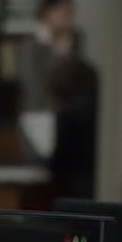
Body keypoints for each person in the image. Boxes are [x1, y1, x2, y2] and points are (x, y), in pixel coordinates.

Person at [43, 53, 99, 201]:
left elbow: (59, 163)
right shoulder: (105, 105)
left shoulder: (69, 113)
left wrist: (42, 163)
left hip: (79, 193)